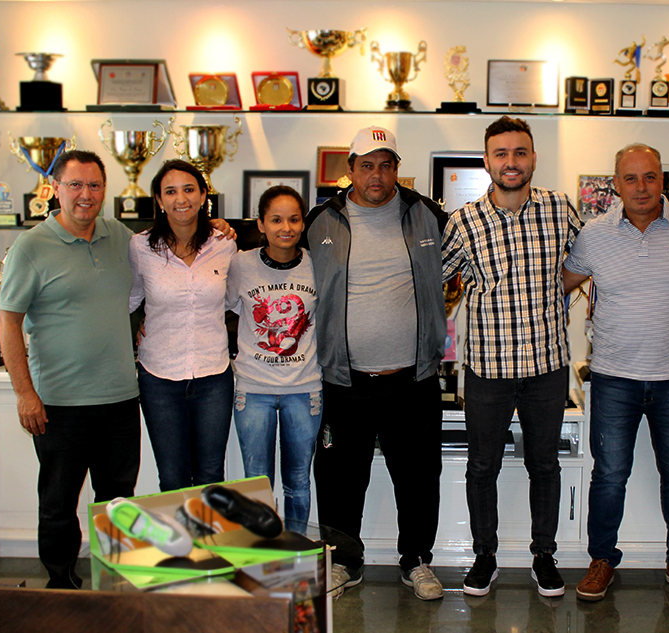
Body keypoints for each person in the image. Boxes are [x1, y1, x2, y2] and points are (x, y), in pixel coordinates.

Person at [561, 143, 669, 603]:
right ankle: (602, 560)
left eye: (650, 177)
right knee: (609, 475)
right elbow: (562, 283)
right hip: (612, 378)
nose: (641, 187)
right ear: (616, 185)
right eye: (630, 178)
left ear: (662, 179)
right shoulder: (593, 235)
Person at [443, 115, 581, 598]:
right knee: (482, 467)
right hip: (488, 369)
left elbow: (590, 259)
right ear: (487, 161)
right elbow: (433, 278)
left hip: (547, 365)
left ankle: (544, 556)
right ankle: (485, 557)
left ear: (533, 158)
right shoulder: (463, 221)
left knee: (544, 466)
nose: (511, 162)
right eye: (501, 153)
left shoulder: (559, 208)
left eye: (520, 152)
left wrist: (558, 291)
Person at [308, 126, 447, 601]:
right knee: (340, 480)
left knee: (419, 477)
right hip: (343, 381)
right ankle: (344, 562)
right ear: (350, 170)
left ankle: (417, 561)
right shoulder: (321, 220)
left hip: (412, 380)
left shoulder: (427, 214)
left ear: (396, 170)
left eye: (386, 165)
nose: (377, 175)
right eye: (366, 165)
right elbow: (273, 252)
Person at [0, 150, 140, 589]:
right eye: (75, 184)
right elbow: (9, 323)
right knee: (59, 503)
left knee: (118, 502)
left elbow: (169, 249)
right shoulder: (31, 246)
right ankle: (61, 587)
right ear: (55, 189)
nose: (86, 194)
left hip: (120, 398)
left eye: (94, 185)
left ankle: (114, 583)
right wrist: (25, 393)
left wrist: (217, 226)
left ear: (105, 190)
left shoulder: (120, 236)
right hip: (59, 403)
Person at [130, 159, 236, 492]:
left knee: (210, 476)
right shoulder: (140, 247)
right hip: (158, 378)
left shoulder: (224, 245)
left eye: (189, 189)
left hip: (213, 377)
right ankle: (179, 531)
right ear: (159, 200)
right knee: (173, 477)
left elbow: (236, 300)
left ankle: (207, 531)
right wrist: (135, 324)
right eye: (170, 191)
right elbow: (128, 299)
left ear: (203, 195)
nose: (181, 199)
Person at [227, 185, 321, 535]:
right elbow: (218, 307)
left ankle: (294, 553)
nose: (286, 228)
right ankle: (262, 556)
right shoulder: (241, 263)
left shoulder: (316, 263)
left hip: (304, 389)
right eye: (276, 220)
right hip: (253, 390)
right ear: (261, 224)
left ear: (303, 224)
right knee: (256, 483)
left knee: (298, 481)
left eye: (294, 219)